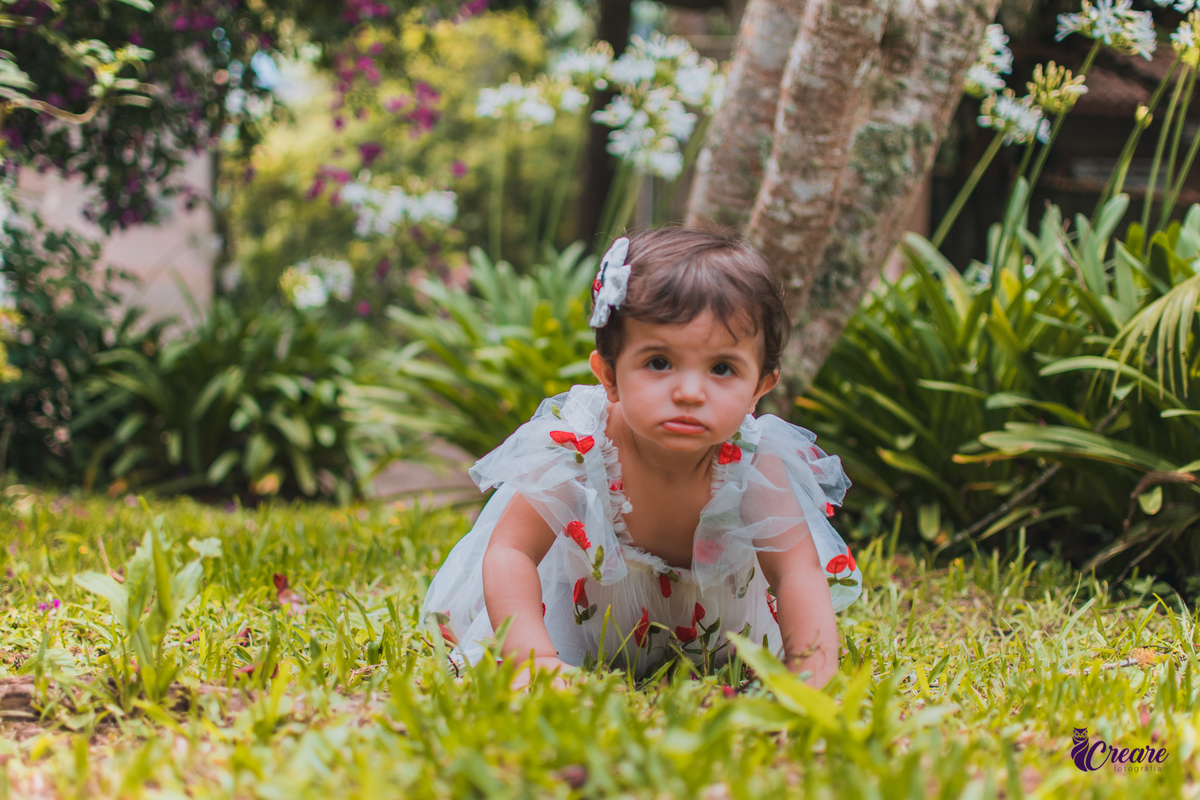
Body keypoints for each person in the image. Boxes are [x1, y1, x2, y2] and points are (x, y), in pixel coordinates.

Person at [420, 228, 862, 688]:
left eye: (722, 368)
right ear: (609, 375)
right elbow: (510, 551)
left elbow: (796, 574)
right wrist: (532, 658)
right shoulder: (580, 449)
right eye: (658, 362)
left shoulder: (755, 464)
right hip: (583, 623)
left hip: (712, 640)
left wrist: (812, 673)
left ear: (759, 389)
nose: (689, 392)